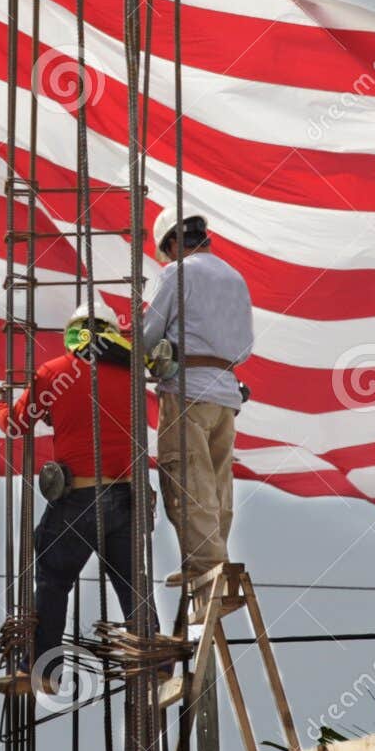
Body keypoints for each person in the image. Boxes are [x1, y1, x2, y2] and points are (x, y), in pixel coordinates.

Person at [0, 303, 140, 695]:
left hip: (78, 498)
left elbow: (18, 425)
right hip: (124, 497)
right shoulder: (132, 375)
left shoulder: (53, 372)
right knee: (130, 585)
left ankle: (41, 671)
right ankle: (155, 663)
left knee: (52, 578)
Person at [141, 211, 254, 587]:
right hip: (225, 394)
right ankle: (215, 555)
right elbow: (245, 346)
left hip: (188, 389)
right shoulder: (234, 278)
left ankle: (207, 568)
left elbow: (147, 334)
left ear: (173, 244)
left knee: (186, 478)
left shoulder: (177, 274)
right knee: (218, 484)